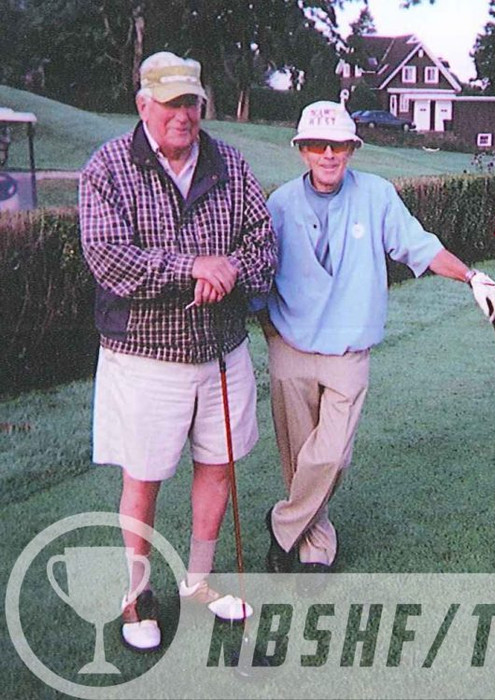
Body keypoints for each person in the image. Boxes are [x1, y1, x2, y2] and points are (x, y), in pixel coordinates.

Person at [79, 51, 277, 651]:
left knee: (218, 465)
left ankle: (198, 581)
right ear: (143, 105)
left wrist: (230, 270)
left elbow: (264, 244)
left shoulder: (230, 163)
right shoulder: (107, 167)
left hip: (221, 351)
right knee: (144, 476)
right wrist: (192, 266)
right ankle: (136, 593)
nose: (182, 115)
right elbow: (109, 259)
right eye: (169, 103)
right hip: (144, 357)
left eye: (191, 102)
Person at [257, 100, 495, 575]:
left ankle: (283, 525)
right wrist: (268, 329)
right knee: (300, 459)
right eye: (318, 145)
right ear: (302, 150)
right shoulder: (281, 204)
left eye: (339, 146)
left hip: (349, 349)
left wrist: (471, 276)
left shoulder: (377, 195)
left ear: (352, 149)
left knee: (331, 457)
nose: (329, 154)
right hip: (290, 344)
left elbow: (420, 246)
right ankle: (315, 545)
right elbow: (259, 272)